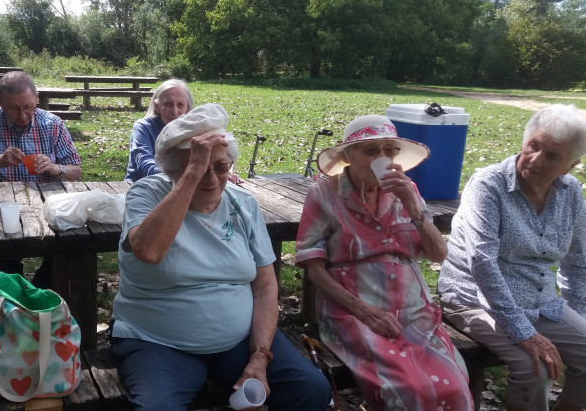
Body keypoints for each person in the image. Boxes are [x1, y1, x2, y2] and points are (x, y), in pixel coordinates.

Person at [111, 103, 331, 411]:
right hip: (157, 343)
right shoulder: (146, 194)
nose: (211, 179)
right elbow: (148, 250)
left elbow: (265, 285)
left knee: (311, 390)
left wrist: (259, 355)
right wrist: (192, 173)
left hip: (239, 344)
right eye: (200, 168)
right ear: (175, 170)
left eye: (221, 167)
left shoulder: (243, 204)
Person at [295, 115, 473, 410]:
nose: (383, 157)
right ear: (348, 156)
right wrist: (367, 313)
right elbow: (313, 267)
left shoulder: (408, 190)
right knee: (409, 390)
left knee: (453, 386)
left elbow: (438, 253)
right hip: (354, 310)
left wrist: (412, 207)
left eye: (389, 150)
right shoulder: (324, 193)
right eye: (371, 150)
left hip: (415, 309)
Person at [438, 104, 586, 411]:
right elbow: (483, 264)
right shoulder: (489, 185)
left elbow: (578, 261)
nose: (535, 159)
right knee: (537, 370)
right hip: (472, 298)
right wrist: (522, 330)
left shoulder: (570, 192)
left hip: (541, 300)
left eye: (553, 156)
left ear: (570, 166)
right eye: (534, 145)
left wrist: (579, 318)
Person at [0, 71, 82, 288]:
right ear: (0, 102)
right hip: (3, 206)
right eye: (14, 109)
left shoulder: (53, 124)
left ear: (37, 98)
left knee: (66, 249)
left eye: (28, 107)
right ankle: (18, 296)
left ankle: (37, 293)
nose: (23, 115)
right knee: (5, 257)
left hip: (48, 204)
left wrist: (54, 167)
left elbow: (76, 170)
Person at [125, 78, 193, 182]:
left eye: (180, 104)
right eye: (168, 104)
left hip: (179, 186)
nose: (174, 111)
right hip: (140, 187)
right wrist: (185, 175)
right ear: (157, 107)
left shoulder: (192, 129)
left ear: (187, 109)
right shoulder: (143, 127)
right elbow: (146, 166)